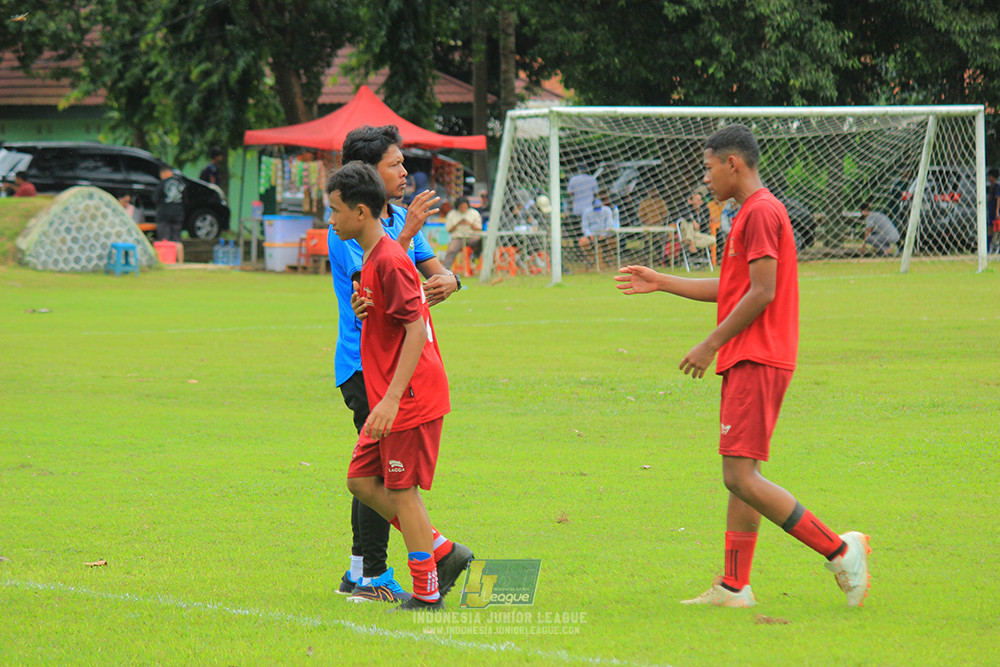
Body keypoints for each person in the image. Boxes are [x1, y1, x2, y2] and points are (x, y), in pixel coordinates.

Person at [615, 123, 871, 609]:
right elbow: (734, 288)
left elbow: (762, 292)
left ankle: (841, 550)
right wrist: (662, 282)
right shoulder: (750, 214)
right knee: (742, 472)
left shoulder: (760, 213)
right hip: (750, 355)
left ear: (733, 164)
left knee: (739, 476)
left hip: (758, 354)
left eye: (709, 169)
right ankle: (735, 587)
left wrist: (709, 344)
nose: (705, 179)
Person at [326, 125, 465, 603]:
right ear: (367, 174)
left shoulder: (388, 225)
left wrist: (452, 281)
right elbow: (375, 277)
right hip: (366, 369)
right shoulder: (352, 226)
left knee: (387, 479)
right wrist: (403, 236)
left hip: (401, 378)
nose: (405, 171)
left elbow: (415, 284)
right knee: (373, 477)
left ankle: (379, 576)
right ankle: (372, 570)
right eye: (395, 164)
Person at [442, 196, 483, 269]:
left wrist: (469, 224)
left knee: (481, 240)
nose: (463, 209)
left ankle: (475, 257)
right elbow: (449, 230)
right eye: (461, 207)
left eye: (465, 207)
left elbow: (479, 228)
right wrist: (458, 224)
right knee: (451, 249)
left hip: (471, 236)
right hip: (458, 237)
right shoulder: (452, 214)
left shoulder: (474, 213)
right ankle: (446, 268)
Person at [578, 197, 617, 270]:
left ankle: (609, 260)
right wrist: (589, 235)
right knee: (583, 242)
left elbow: (610, 224)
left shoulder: (607, 210)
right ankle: (591, 260)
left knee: (612, 241)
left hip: (604, 235)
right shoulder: (587, 212)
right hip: (592, 235)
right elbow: (585, 226)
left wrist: (604, 234)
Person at [152, 166, 185, 242]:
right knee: (177, 239)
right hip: (178, 213)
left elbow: (155, 198)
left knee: (164, 239)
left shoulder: (163, 183)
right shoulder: (180, 183)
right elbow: (185, 198)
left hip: (164, 214)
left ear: (163, 173)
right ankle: (179, 254)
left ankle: (168, 254)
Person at [987, 168, 999, 252]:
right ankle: (988, 248)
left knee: (994, 229)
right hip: (991, 210)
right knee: (990, 229)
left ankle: (991, 248)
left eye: (989, 176)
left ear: (993, 177)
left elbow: (998, 198)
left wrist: (997, 211)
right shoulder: (991, 186)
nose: (988, 178)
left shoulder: (997, 186)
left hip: (995, 211)